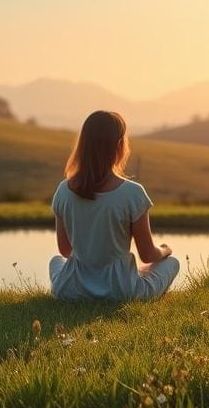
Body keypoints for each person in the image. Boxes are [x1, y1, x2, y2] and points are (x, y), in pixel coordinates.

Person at [49, 110, 179, 300]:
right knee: (172, 263)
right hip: (122, 292)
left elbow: (65, 251)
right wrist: (165, 249)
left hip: (71, 291)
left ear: (83, 145)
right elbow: (148, 254)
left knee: (55, 261)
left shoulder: (63, 190)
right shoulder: (133, 193)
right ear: (119, 146)